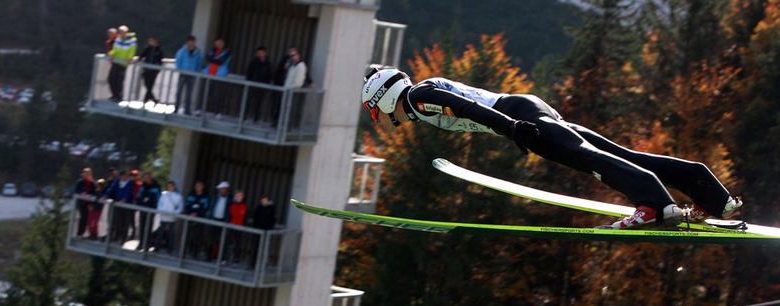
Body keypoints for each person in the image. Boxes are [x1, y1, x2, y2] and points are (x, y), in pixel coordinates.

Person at [360, 69, 743, 229]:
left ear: (385, 97)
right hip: (522, 110)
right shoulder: (418, 97)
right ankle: (710, 194)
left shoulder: (420, 96)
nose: (380, 118)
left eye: (376, 110)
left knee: (585, 157)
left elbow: (469, 108)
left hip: (517, 114)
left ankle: (656, 206)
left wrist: (511, 128)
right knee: (618, 154)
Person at [108, 25, 138, 102]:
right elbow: (115, 49)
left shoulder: (132, 40)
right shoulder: (118, 39)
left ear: (127, 32)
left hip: (123, 63)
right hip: (116, 61)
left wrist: (130, 58)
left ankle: (119, 97)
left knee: (119, 80)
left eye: (123, 32)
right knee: (111, 78)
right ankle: (114, 95)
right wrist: (111, 54)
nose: (121, 33)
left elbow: (132, 50)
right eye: (120, 32)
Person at [174, 35, 202, 115]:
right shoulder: (182, 51)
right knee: (179, 92)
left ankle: (187, 110)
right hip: (183, 73)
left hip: (192, 74)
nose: (191, 44)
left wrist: (197, 71)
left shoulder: (197, 52)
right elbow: (178, 61)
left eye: (193, 42)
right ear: (187, 42)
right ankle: (176, 108)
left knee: (189, 93)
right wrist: (179, 69)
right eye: (190, 42)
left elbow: (199, 63)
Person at [204, 37, 232, 115]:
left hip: (220, 75)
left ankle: (218, 112)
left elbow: (221, 61)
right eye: (217, 42)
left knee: (218, 94)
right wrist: (215, 59)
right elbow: (207, 58)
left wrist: (214, 59)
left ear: (223, 44)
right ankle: (206, 110)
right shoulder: (211, 51)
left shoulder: (227, 52)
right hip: (209, 74)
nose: (219, 44)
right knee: (208, 92)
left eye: (221, 43)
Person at [184, 180, 210, 258]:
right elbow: (187, 205)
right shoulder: (190, 195)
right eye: (197, 186)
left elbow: (206, 208)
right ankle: (185, 252)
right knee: (188, 236)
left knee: (197, 237)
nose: (198, 187)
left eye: (200, 186)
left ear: (203, 187)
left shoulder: (206, 197)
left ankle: (195, 253)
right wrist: (190, 213)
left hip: (200, 219)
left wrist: (197, 214)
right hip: (190, 219)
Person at [245, 46, 272, 121]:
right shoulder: (254, 61)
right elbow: (249, 72)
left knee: (259, 102)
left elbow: (269, 74)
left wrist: (267, 83)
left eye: (261, 53)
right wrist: (249, 81)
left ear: (265, 53)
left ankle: (256, 118)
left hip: (262, 86)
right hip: (252, 84)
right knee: (248, 101)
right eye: (258, 53)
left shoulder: (267, 63)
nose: (259, 54)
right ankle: (245, 116)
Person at [156, 181, 183, 253]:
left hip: (172, 218)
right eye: (169, 186)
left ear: (174, 187)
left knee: (171, 234)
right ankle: (156, 248)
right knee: (160, 233)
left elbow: (180, 207)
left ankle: (170, 249)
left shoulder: (178, 196)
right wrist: (161, 211)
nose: (170, 187)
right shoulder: (163, 194)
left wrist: (174, 213)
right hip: (163, 217)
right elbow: (159, 204)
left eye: (171, 186)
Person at [108, 169, 135, 242]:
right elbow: (111, 190)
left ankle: (123, 239)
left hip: (126, 206)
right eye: (122, 175)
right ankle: (114, 237)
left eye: (125, 175)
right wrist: (106, 196)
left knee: (125, 223)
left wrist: (124, 199)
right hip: (118, 205)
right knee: (117, 222)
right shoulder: (117, 182)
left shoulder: (130, 183)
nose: (124, 177)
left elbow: (129, 193)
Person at [136, 173, 161, 249]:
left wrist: (153, 205)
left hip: (151, 210)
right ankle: (141, 243)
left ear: (150, 178)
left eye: (147, 177)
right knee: (141, 227)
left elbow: (158, 198)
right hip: (142, 210)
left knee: (149, 227)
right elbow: (139, 197)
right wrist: (141, 203)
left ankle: (147, 244)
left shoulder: (156, 187)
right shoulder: (142, 186)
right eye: (145, 178)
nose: (146, 179)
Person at [208, 181, 232, 259]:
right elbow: (211, 207)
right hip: (214, 220)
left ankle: (221, 257)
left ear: (226, 189)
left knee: (222, 240)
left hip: (223, 221)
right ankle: (210, 255)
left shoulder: (230, 199)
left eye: (222, 189)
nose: (221, 190)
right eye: (220, 189)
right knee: (211, 238)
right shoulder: (215, 197)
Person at [139, 36, 165, 103]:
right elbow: (141, 55)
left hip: (154, 71)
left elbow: (161, 60)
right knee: (146, 84)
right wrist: (139, 61)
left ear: (155, 41)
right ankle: (153, 99)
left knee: (150, 85)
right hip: (146, 69)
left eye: (151, 41)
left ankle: (146, 99)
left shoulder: (159, 50)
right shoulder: (147, 48)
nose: (150, 42)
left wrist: (157, 69)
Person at [226, 190, 248, 263]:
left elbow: (245, 217)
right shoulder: (231, 205)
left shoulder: (244, 206)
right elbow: (229, 216)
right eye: (237, 196)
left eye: (240, 195)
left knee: (238, 243)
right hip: (231, 226)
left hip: (239, 227)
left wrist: (243, 226)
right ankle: (225, 258)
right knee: (227, 242)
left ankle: (236, 258)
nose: (238, 197)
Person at [74, 167, 94, 236]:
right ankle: (79, 232)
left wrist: (91, 202)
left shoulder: (92, 183)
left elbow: (93, 192)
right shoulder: (80, 182)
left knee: (86, 218)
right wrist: (82, 193)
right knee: (82, 217)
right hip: (81, 202)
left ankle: (83, 233)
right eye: (86, 173)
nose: (87, 175)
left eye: (89, 174)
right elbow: (76, 190)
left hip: (88, 203)